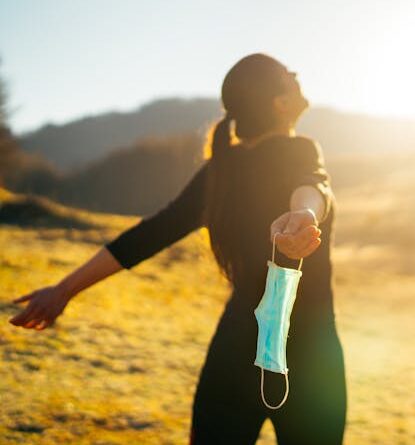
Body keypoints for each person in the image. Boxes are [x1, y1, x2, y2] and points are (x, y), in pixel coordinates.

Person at [8, 53, 347, 445]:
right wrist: (305, 214)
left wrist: (64, 289)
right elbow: (313, 183)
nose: (296, 74)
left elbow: (150, 233)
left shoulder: (220, 169)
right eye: (287, 74)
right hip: (312, 356)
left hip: (235, 350)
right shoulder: (297, 148)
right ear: (280, 103)